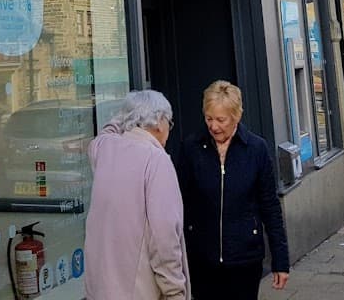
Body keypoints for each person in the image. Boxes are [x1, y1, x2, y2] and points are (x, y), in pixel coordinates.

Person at [177, 80, 289, 299]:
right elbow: (179, 200)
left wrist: (280, 260)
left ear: (236, 117)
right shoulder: (191, 147)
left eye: (221, 120)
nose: (214, 126)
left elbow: (270, 206)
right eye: (209, 118)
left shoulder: (256, 149)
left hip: (244, 258)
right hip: (201, 257)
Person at [85, 90, 190, 300]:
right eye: (169, 122)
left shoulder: (105, 148)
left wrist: (130, 113)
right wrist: (175, 292)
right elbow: (164, 238)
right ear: (160, 122)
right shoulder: (157, 160)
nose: (169, 129)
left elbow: (108, 129)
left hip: (99, 291)